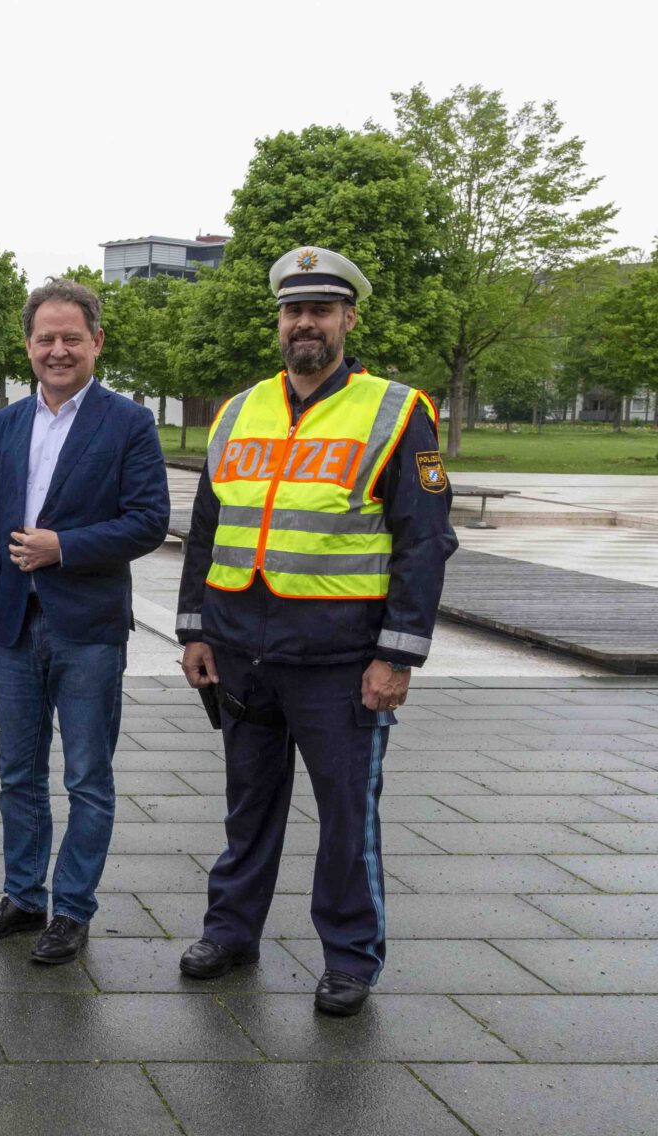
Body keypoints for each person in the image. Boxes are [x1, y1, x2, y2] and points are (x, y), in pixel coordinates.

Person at [175, 247, 457, 1016]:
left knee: (346, 817)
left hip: (340, 659)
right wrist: (194, 631)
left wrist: (397, 654)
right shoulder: (238, 411)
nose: (305, 323)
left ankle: (350, 958)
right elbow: (207, 530)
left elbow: (425, 540)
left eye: (321, 310)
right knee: (248, 808)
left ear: (348, 319)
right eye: (294, 311)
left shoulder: (400, 412)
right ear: (279, 321)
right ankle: (231, 932)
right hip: (241, 650)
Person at [0, 278, 170, 964]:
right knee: (17, 772)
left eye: (71, 338)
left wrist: (65, 547)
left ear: (96, 342)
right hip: (16, 625)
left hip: (88, 628)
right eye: (45, 338)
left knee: (86, 777)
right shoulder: (8, 423)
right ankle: (24, 897)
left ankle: (72, 909)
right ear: (28, 345)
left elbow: (149, 521)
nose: (58, 350)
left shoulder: (128, 422)